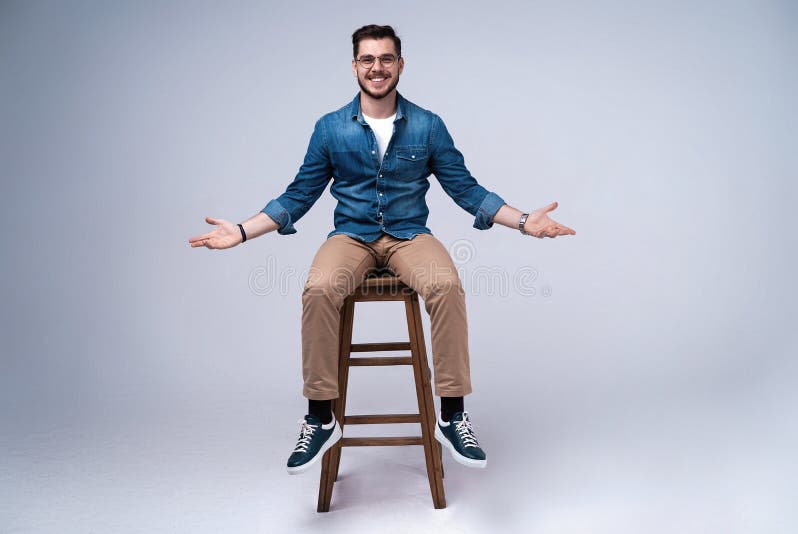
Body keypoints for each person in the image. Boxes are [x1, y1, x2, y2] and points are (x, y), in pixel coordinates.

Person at [188, 24, 576, 475]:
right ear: (355, 66)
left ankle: (452, 416)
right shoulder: (331, 128)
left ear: (400, 65)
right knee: (317, 289)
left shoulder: (428, 125)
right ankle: (319, 418)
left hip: (410, 236)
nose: (377, 68)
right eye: (368, 59)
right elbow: (298, 196)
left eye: (386, 59)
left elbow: (466, 190)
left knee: (447, 286)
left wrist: (526, 222)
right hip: (350, 237)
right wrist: (240, 230)